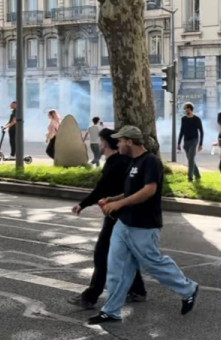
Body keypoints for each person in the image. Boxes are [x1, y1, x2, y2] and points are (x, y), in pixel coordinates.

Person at [88, 126, 200, 325]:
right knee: (117, 268)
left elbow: (149, 190)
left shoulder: (151, 162)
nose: (118, 144)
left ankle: (188, 288)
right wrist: (113, 198)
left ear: (129, 141)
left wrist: (118, 204)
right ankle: (111, 311)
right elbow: (132, 191)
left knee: (153, 262)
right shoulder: (134, 162)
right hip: (124, 224)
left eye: (120, 141)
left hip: (144, 225)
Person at [69, 128, 147, 309]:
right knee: (126, 254)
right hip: (126, 214)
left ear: (105, 144)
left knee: (102, 254)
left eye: (101, 141)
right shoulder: (124, 161)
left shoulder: (115, 163)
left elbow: (101, 189)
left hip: (117, 214)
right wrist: (84, 204)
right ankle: (138, 290)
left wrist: (84, 204)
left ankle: (90, 296)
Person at [177, 104, 204, 182]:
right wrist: (179, 143)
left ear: (190, 109)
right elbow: (181, 131)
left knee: (191, 158)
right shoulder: (184, 119)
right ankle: (198, 175)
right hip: (186, 141)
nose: (185, 111)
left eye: (186, 109)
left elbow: (201, 132)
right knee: (190, 159)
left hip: (194, 140)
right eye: (185, 109)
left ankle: (190, 178)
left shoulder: (197, 119)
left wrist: (200, 144)